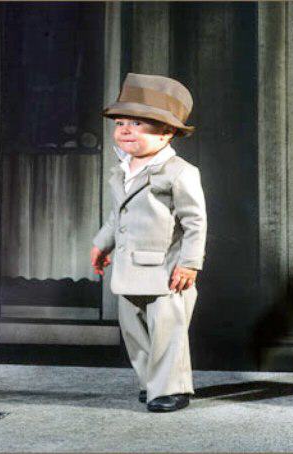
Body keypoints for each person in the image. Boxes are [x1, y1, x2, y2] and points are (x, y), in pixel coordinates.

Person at [90, 73, 207, 412]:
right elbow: (117, 215)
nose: (125, 130)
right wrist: (102, 244)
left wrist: (189, 263)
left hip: (165, 270)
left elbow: (195, 221)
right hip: (130, 268)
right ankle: (150, 383)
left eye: (137, 124)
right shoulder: (122, 171)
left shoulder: (179, 172)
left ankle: (171, 388)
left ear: (166, 132)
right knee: (135, 331)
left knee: (167, 332)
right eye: (120, 123)